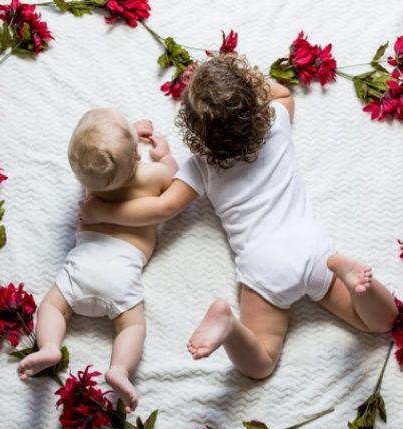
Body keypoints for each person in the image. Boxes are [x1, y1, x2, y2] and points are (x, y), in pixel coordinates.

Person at [79, 55, 398, 380]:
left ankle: (229, 326)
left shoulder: (202, 165)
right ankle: (356, 281)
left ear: (194, 127)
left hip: (265, 268)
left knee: (261, 363)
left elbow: (162, 208)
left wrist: (103, 210)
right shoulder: (276, 123)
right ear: (256, 102)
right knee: (380, 321)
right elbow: (283, 93)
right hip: (315, 253)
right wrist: (240, 84)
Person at [17, 108, 178, 411]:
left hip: (82, 265)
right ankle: (119, 368)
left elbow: (104, 157)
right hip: (122, 273)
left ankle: (50, 346)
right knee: (131, 327)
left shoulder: (93, 180)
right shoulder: (150, 175)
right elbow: (172, 171)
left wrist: (128, 134)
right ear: (135, 159)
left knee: (52, 306)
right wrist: (164, 153)